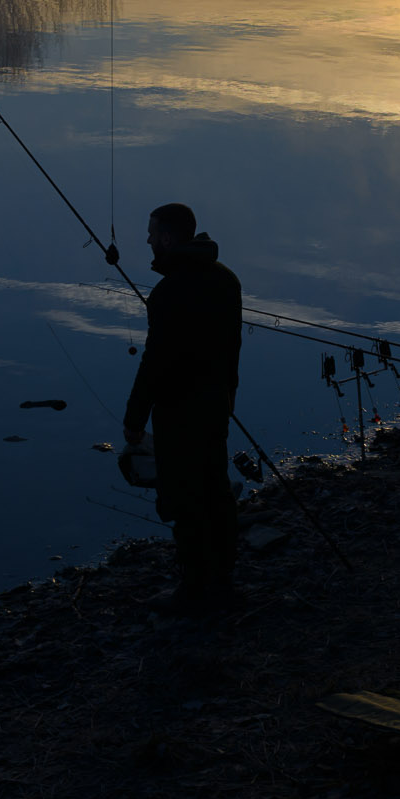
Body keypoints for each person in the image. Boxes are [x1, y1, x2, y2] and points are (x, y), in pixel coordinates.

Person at [123, 203, 244, 613]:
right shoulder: (227, 280)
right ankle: (223, 578)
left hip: (179, 410)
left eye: (152, 233)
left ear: (168, 239)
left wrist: (134, 419)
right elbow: (233, 350)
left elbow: (154, 361)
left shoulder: (168, 292)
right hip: (216, 404)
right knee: (216, 489)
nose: (148, 240)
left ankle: (193, 590)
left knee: (184, 497)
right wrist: (229, 395)